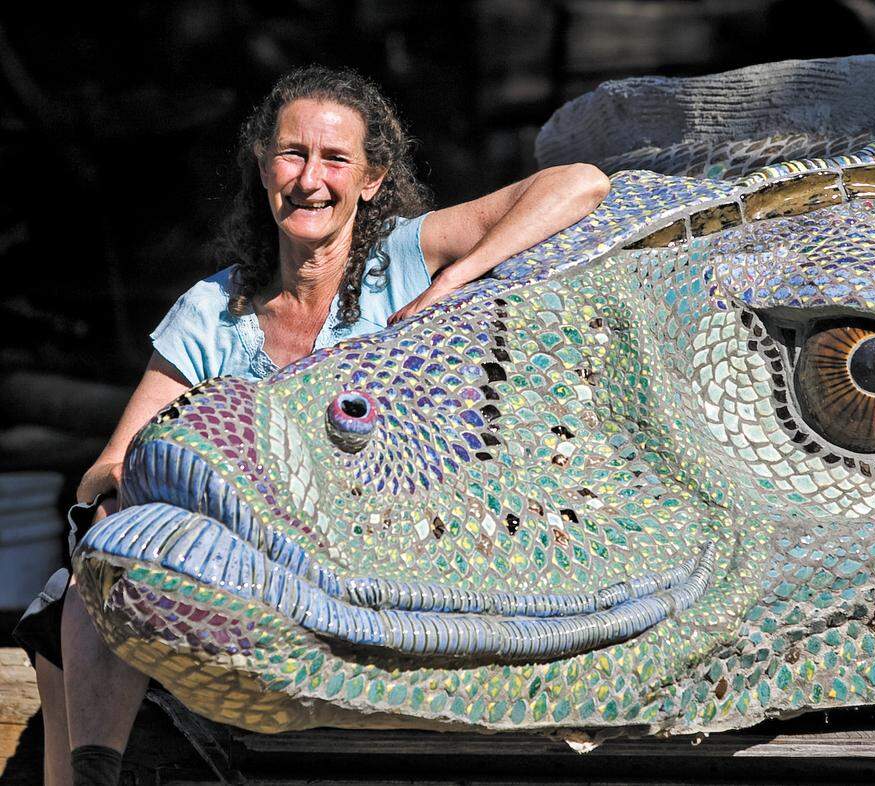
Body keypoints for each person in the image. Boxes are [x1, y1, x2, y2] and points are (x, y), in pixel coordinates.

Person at [17, 64, 611, 786]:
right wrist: (131, 491)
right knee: (88, 577)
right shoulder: (213, 311)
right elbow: (106, 466)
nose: (310, 179)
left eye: (335, 159)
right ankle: (92, 772)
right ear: (264, 166)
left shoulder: (403, 259)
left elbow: (581, 182)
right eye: (293, 154)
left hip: (378, 568)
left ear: (371, 178)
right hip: (236, 571)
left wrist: (458, 275)